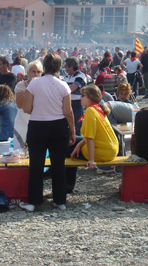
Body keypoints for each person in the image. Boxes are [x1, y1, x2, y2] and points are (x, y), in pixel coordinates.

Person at [21, 52, 75, 212]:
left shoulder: (34, 84)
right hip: (58, 126)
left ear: (44, 67)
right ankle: (60, 201)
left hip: (37, 125)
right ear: (59, 68)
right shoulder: (63, 85)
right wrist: (72, 131)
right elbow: (68, 111)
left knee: (36, 165)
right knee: (58, 165)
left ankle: (33, 201)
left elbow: (26, 108)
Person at [67, 85, 119, 191]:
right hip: (110, 149)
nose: (80, 98)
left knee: (65, 150)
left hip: (102, 151)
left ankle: (67, 186)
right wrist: (78, 145)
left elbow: (90, 138)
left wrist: (91, 160)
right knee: (71, 143)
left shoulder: (90, 111)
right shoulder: (98, 108)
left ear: (89, 97)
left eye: (82, 96)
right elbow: (90, 136)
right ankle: (68, 185)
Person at [13, 61, 43, 150]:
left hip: (38, 120)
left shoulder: (44, 86)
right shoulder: (21, 85)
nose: (36, 74)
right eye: (33, 71)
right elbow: (19, 104)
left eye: (38, 72)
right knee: (20, 150)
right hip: (23, 120)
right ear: (28, 72)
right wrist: (30, 88)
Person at [63, 57, 87, 133]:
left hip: (77, 104)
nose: (65, 68)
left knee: (77, 126)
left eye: (66, 66)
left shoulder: (80, 76)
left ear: (71, 67)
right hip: (67, 103)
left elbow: (72, 88)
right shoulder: (66, 77)